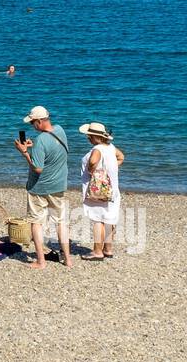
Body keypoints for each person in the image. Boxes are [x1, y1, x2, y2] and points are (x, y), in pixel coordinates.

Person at [15, 105, 72, 269]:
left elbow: (38, 168)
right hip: (59, 185)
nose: (32, 125)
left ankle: (41, 261)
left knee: (36, 223)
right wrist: (34, 147)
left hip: (39, 187)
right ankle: (68, 260)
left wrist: (25, 153)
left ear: (39, 121)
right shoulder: (60, 130)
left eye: (32, 122)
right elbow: (52, 149)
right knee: (61, 222)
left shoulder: (41, 140)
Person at [78, 121, 124, 260]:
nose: (88, 138)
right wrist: (110, 170)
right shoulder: (111, 147)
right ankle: (108, 249)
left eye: (89, 136)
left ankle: (97, 251)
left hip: (97, 190)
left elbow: (93, 161)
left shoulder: (97, 149)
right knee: (110, 219)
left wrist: (92, 171)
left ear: (95, 137)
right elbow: (121, 157)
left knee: (98, 220)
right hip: (112, 189)